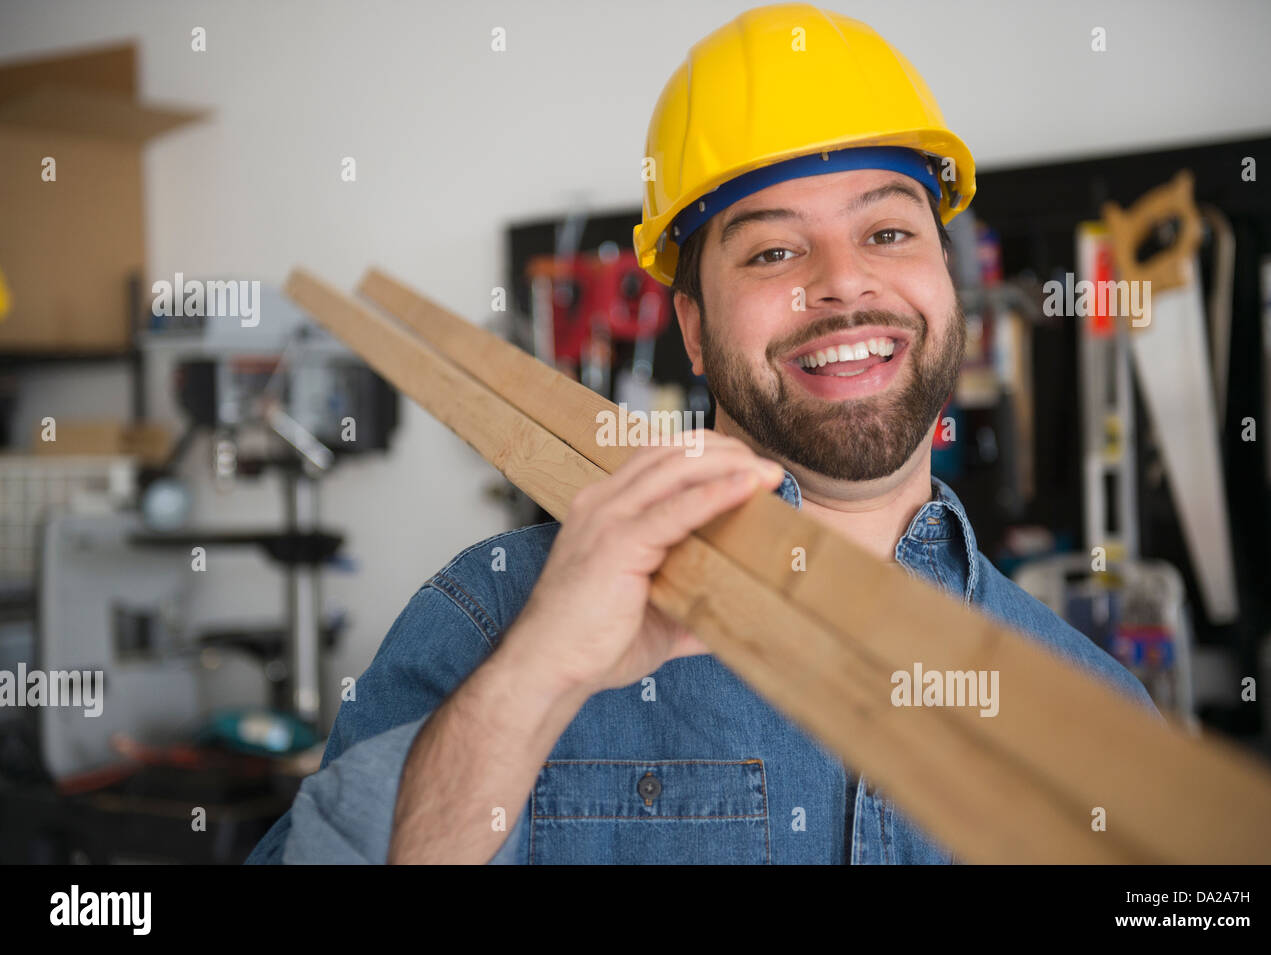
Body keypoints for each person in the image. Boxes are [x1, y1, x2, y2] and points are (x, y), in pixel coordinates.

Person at [247, 2, 1157, 865]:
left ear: (949, 282)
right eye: (772, 250)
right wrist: (535, 684)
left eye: (887, 231)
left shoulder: (1094, 711)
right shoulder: (495, 616)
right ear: (691, 325)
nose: (841, 284)